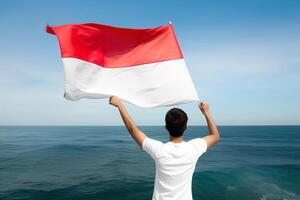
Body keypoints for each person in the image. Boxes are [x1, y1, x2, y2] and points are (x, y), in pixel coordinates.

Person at [109, 96, 220, 200]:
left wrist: (120, 105)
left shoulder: (159, 150)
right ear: (186, 127)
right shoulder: (193, 148)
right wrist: (206, 112)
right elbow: (215, 136)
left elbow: (133, 130)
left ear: (166, 127)